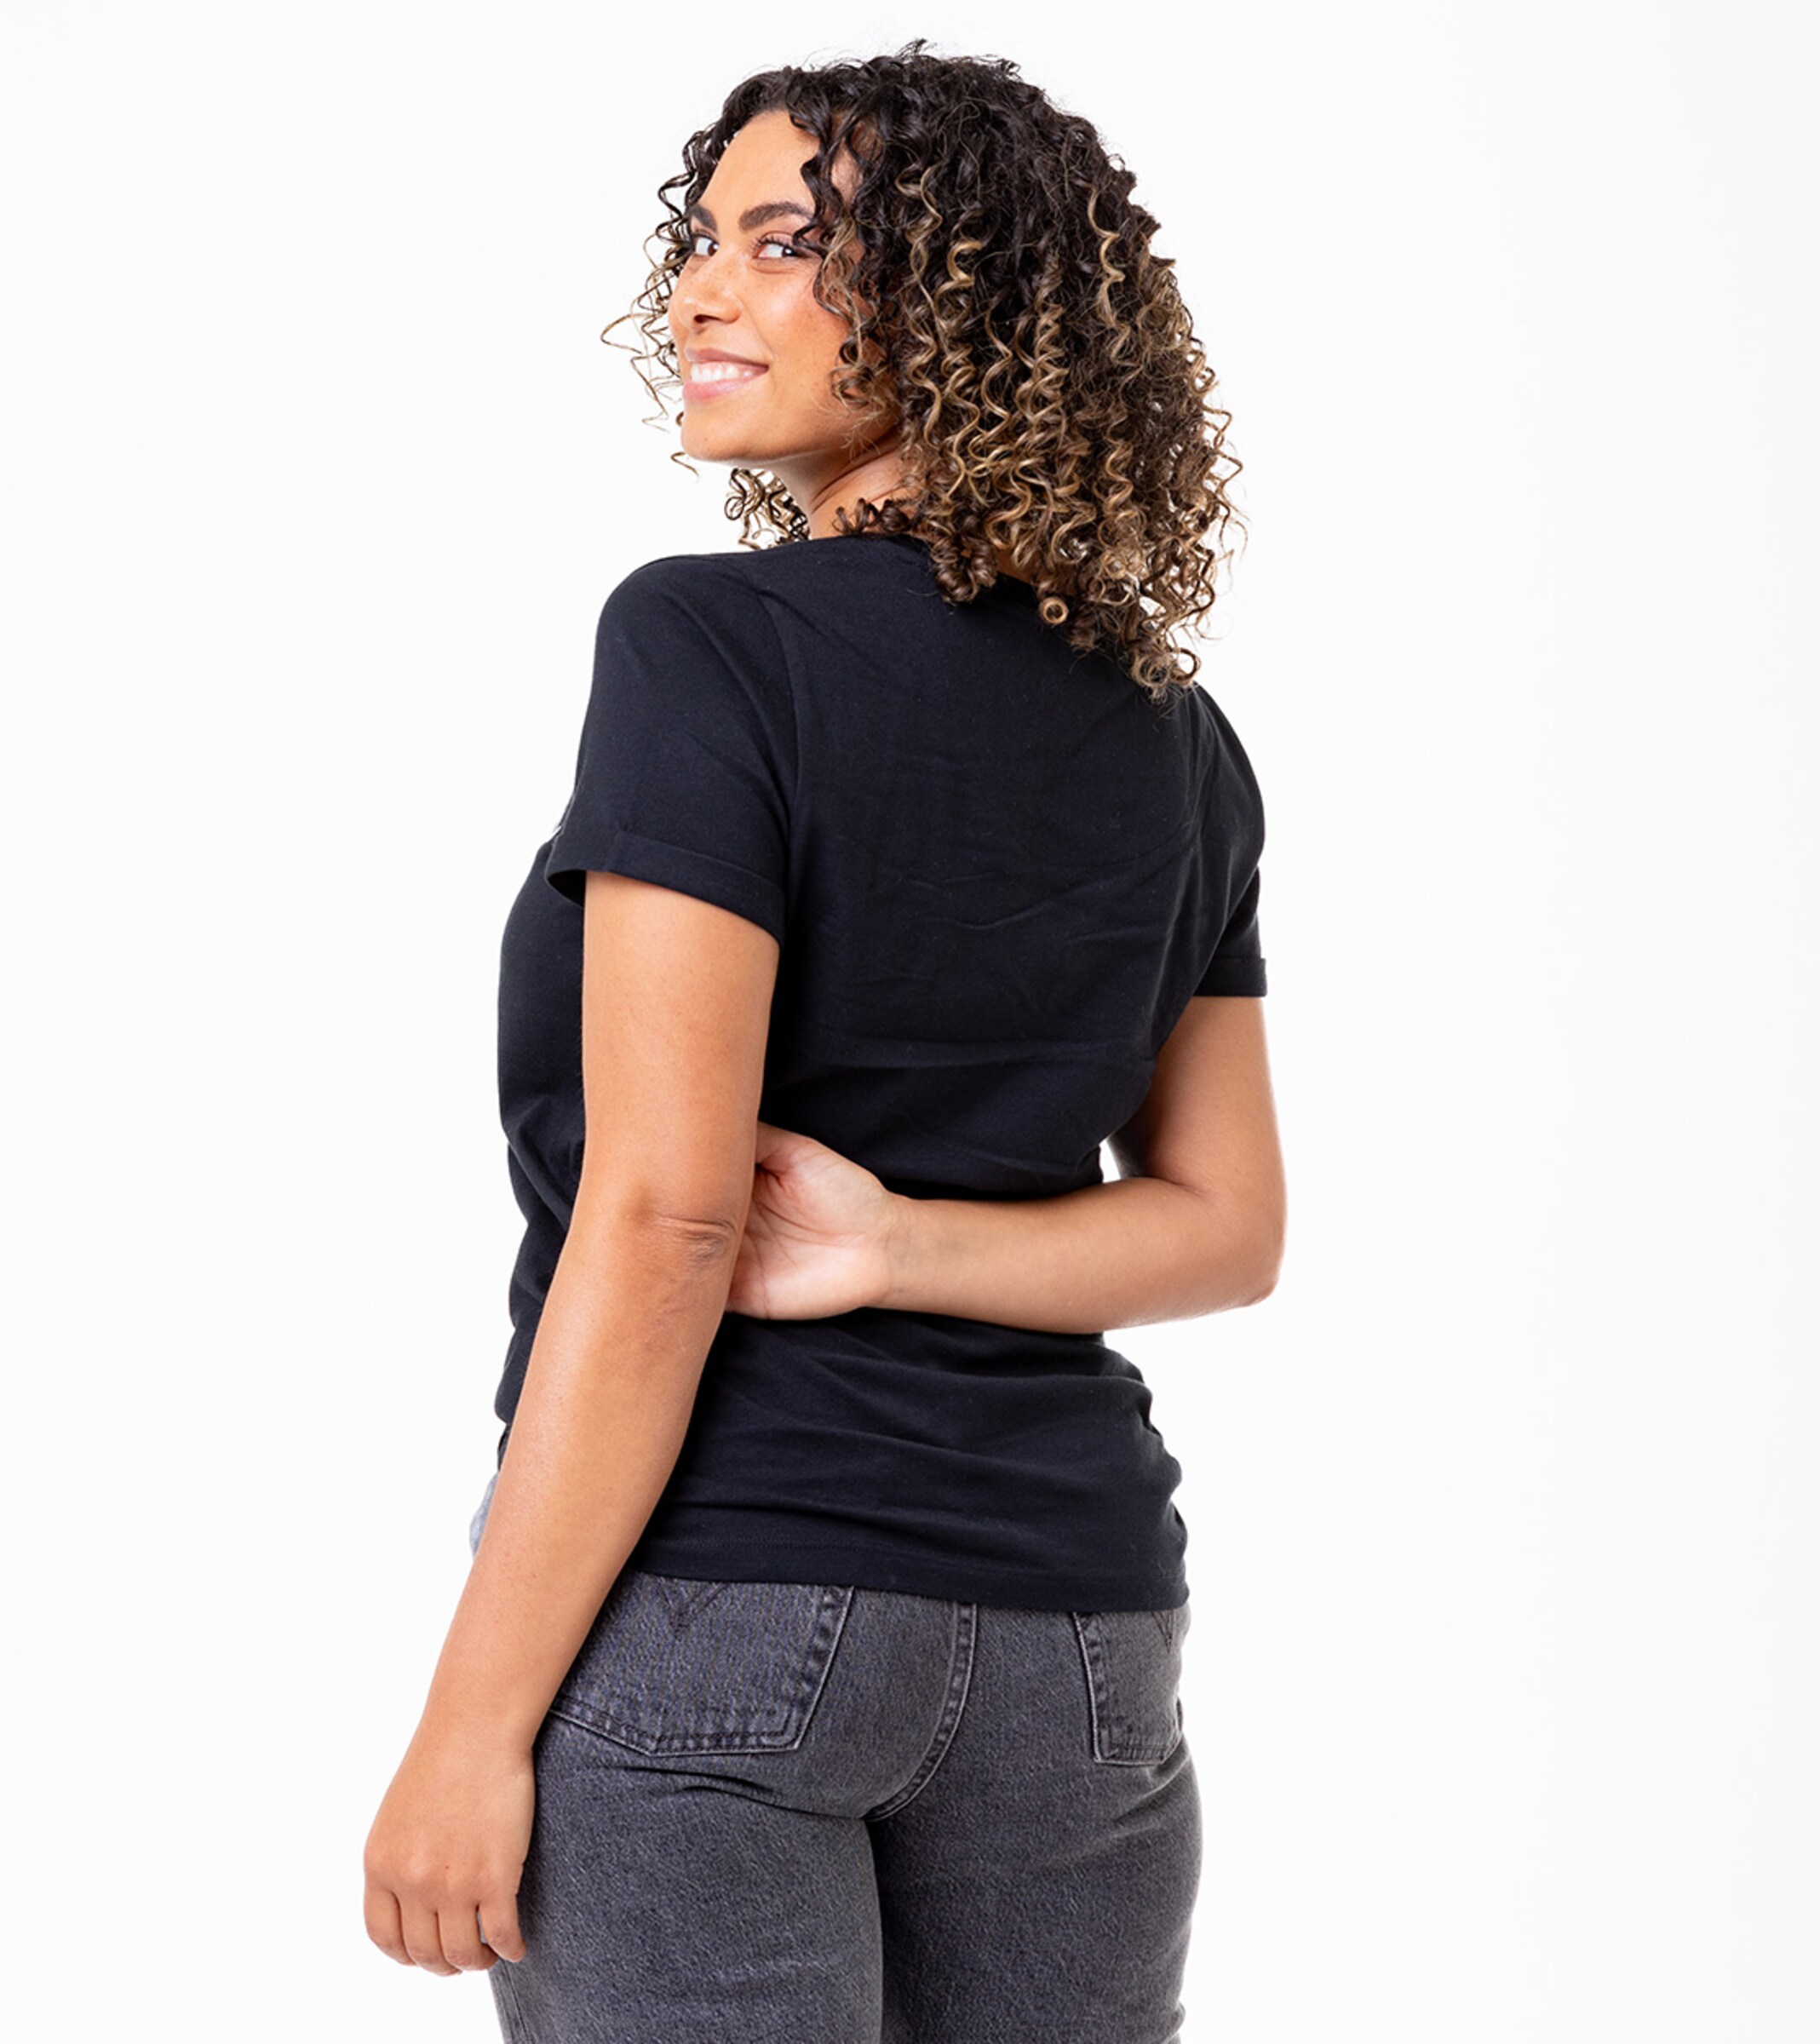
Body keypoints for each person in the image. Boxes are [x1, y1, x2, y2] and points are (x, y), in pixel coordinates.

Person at [362, 40, 1283, 2044]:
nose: (695, 294)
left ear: (958, 300)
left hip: (721, 1606)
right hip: (1082, 1648)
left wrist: (469, 1723)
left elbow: (671, 1220)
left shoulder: (709, 646)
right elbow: (1223, 1224)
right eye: (703, 242)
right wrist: (920, 1248)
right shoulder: (1177, 742)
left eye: (782, 245)